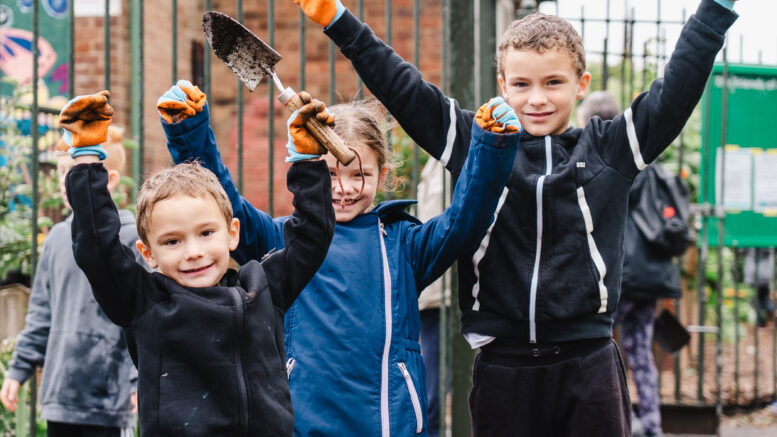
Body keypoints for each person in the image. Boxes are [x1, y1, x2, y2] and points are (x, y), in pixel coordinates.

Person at [293, 0, 739, 434]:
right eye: (522, 84)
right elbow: (403, 87)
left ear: (581, 84)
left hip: (589, 364)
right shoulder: (476, 143)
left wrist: (715, 9)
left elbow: (677, 87)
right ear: (503, 86)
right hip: (503, 368)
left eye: (553, 83)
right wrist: (338, 20)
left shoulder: (611, 148)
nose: (537, 99)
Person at [161, 79, 521, 435]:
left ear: (381, 176)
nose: (344, 188)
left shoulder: (404, 244)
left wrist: (492, 149)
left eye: (358, 174)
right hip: (298, 424)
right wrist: (188, 130)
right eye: (329, 173)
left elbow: (465, 220)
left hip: (388, 426)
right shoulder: (280, 238)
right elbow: (224, 206)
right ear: (308, 167)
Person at [60, 88, 335, 436]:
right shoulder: (143, 301)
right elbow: (97, 248)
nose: (193, 251)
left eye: (206, 233)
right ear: (148, 254)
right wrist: (86, 159)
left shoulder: (263, 288)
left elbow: (312, 235)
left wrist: (308, 162)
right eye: (172, 241)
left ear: (232, 233)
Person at [1, 132, 138, 437]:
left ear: (110, 180)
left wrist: (136, 380)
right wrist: (19, 368)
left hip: (111, 401)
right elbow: (40, 313)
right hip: (62, 395)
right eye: (62, 172)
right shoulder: (56, 239)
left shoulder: (131, 237)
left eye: (73, 172)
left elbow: (141, 319)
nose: (65, 182)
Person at [579, 90, 674, 437]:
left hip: (617, 277)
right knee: (640, 351)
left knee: (599, 350)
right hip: (647, 277)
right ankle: (652, 422)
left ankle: (616, 423)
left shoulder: (602, 166)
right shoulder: (645, 163)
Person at [416, 158, 450, 437]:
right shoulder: (433, 164)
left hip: (447, 295)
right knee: (431, 388)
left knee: (437, 387)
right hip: (432, 296)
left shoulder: (452, 159)